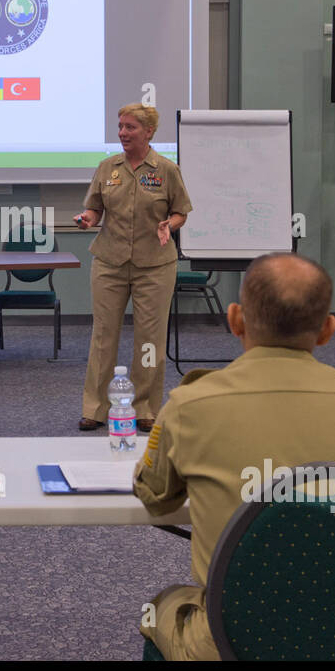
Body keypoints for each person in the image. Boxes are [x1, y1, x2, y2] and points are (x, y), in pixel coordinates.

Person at [132, 253, 335, 661]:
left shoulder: (190, 403)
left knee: (160, 608)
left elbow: (156, 498)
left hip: (233, 644)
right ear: (328, 330)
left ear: (235, 319)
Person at [74, 103, 192, 433]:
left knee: (150, 341)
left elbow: (182, 210)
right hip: (110, 263)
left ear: (149, 132)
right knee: (103, 336)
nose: (123, 133)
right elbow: (94, 210)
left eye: (130, 128)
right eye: (120, 126)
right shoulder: (107, 167)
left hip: (155, 266)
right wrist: (87, 220)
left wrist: (171, 223)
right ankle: (94, 408)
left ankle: (146, 407)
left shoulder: (167, 169)